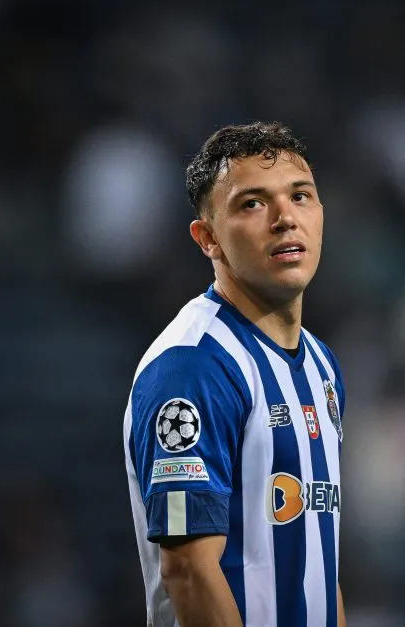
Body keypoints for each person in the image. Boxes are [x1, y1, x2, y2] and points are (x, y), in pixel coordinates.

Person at [123, 121, 347, 627]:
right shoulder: (194, 365)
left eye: (301, 196)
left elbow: (318, 565)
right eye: (252, 203)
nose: (286, 218)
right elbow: (187, 570)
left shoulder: (321, 365)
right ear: (207, 239)